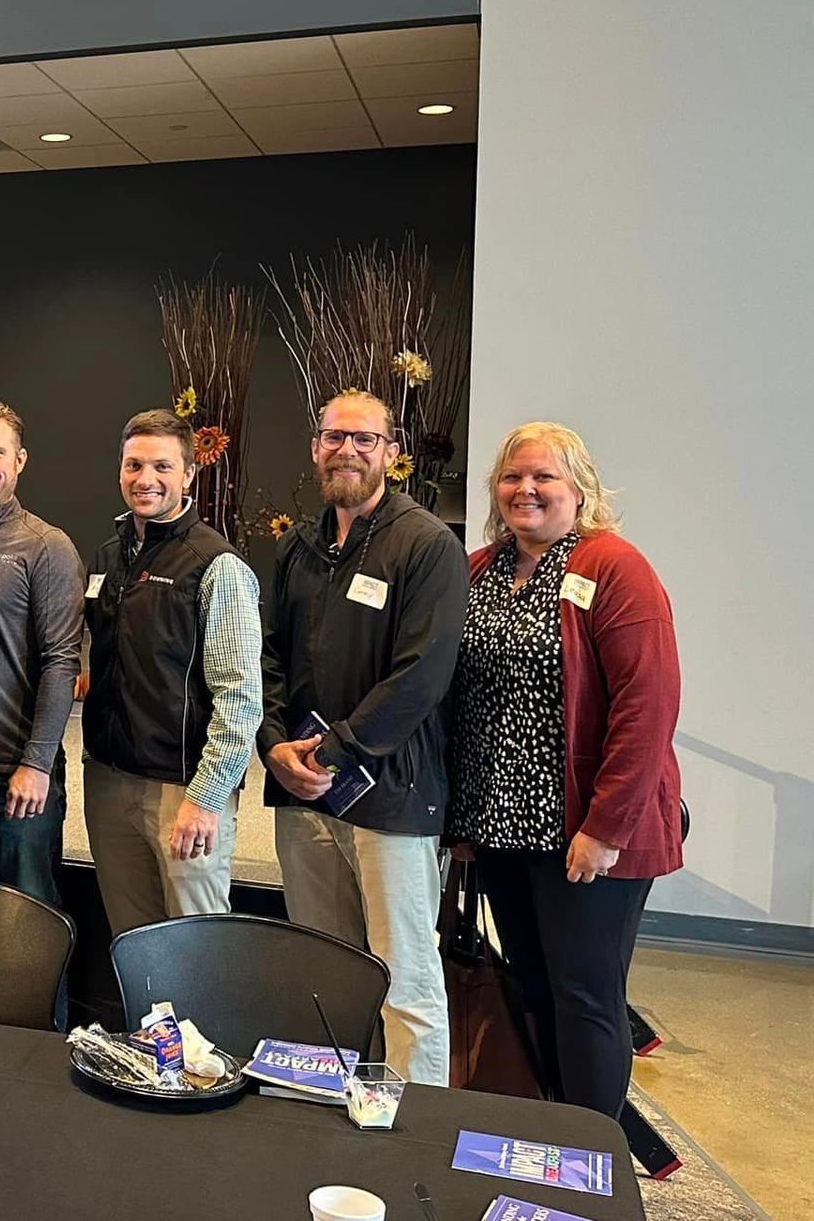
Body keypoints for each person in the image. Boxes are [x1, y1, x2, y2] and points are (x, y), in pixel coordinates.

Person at [449, 422, 682, 1119]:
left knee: (585, 996)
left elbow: (648, 706)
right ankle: (552, 1129)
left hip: (585, 834)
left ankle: (591, 1160)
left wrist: (606, 827)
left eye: (544, 477)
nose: (527, 489)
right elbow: (458, 697)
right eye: (513, 477)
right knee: (535, 986)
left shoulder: (614, 567)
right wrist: (460, 817)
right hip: (499, 827)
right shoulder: (479, 568)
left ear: (579, 490)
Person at [257, 389, 466, 1086]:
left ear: (394, 454)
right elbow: (271, 657)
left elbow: (421, 677)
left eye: (365, 439)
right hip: (304, 793)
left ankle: (419, 1135)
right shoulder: (297, 546)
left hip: (391, 800)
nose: (347, 450)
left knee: (404, 981)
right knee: (326, 971)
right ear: (316, 448)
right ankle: (335, 1110)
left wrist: (336, 749)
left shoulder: (428, 546)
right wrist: (274, 744)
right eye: (334, 437)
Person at [83, 410, 262, 934]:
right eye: (134, 465)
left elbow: (241, 698)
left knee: (194, 948)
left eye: (162, 466)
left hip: (182, 793)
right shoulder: (108, 557)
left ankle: (206, 1024)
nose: (145, 479)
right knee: (132, 943)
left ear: (188, 475)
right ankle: (143, 1023)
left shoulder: (214, 565)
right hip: (110, 781)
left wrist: (206, 800)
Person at [0, 401, 83, 904]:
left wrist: (38, 764)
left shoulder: (45, 546)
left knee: (24, 931)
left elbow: (61, 662)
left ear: (20, 460)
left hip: (12, 778)